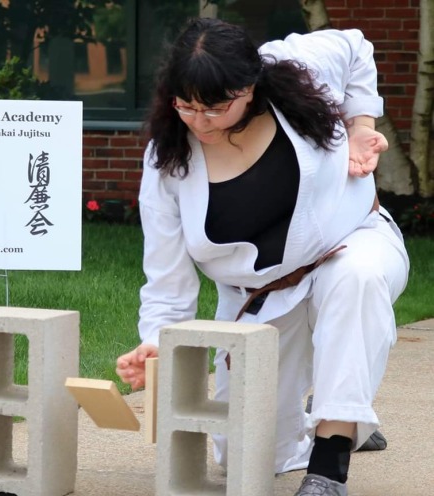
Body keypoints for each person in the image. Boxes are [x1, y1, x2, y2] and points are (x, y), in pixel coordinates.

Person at [115, 17, 409, 496]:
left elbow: (355, 46)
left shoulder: (297, 71)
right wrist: (156, 345)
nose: (200, 120)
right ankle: (344, 416)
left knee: (356, 277)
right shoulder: (168, 160)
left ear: (249, 88)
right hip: (261, 295)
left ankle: (330, 462)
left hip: (352, 242)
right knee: (244, 456)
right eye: (185, 106)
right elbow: (167, 278)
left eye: (215, 107)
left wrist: (360, 126)